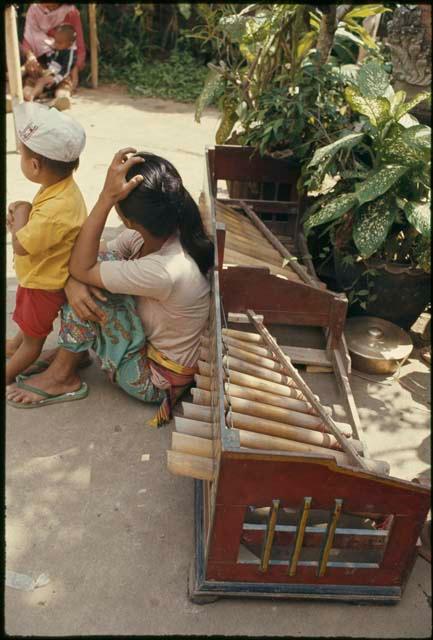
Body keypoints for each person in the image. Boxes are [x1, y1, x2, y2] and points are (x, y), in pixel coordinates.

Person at [7, 149, 214, 429]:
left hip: (155, 380)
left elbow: (81, 266)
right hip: (149, 349)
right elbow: (89, 255)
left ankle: (62, 376)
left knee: (91, 288)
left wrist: (105, 198)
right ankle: (76, 353)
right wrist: (73, 280)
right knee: (89, 271)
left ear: (128, 219)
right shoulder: (156, 233)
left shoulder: (167, 270)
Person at [6, 101, 87, 387]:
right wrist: (25, 211)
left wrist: (21, 213)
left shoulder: (55, 211)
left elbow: (20, 245)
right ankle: (17, 342)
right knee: (27, 323)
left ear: (35, 165)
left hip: (42, 284)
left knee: (34, 340)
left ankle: (9, 372)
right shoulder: (61, 189)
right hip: (41, 275)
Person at [21, 3, 86, 109]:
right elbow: (28, 40)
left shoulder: (70, 12)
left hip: (60, 71)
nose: (50, 7)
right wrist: (31, 57)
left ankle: (62, 99)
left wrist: (75, 69)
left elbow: (79, 45)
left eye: (54, 5)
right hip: (41, 62)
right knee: (31, 81)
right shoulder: (34, 10)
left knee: (64, 86)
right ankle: (27, 96)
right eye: (47, 4)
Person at [23, 24, 78, 110]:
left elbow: (66, 70)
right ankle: (28, 93)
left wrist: (55, 80)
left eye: (59, 43)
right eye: (55, 41)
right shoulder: (56, 48)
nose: (56, 44)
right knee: (34, 79)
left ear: (69, 44)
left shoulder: (70, 53)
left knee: (64, 86)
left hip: (60, 77)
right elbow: (50, 62)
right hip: (49, 73)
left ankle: (61, 99)